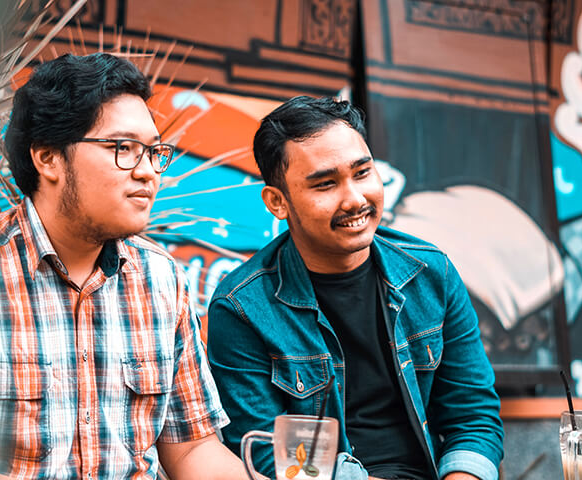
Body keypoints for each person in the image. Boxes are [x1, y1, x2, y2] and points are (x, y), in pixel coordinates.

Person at [0, 53, 251, 480]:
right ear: (48, 158)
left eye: (154, 152)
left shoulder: (160, 278)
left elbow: (193, 451)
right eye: (123, 149)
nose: (149, 172)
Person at [207, 96, 504, 480]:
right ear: (277, 202)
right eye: (326, 184)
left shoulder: (431, 274)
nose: (355, 199)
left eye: (362, 173)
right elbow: (267, 449)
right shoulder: (243, 307)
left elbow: (473, 415)